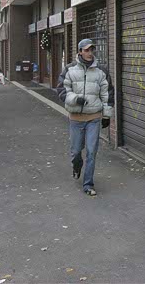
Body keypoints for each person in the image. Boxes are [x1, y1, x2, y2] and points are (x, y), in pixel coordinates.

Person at [56, 39, 114, 197]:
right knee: (76, 152)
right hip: (75, 119)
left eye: (92, 50)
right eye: (87, 50)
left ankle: (88, 184)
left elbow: (107, 93)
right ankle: (76, 166)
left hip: (93, 118)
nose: (90, 53)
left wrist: (107, 115)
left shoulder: (101, 70)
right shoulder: (69, 69)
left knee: (91, 151)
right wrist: (75, 99)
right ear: (80, 51)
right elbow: (61, 89)